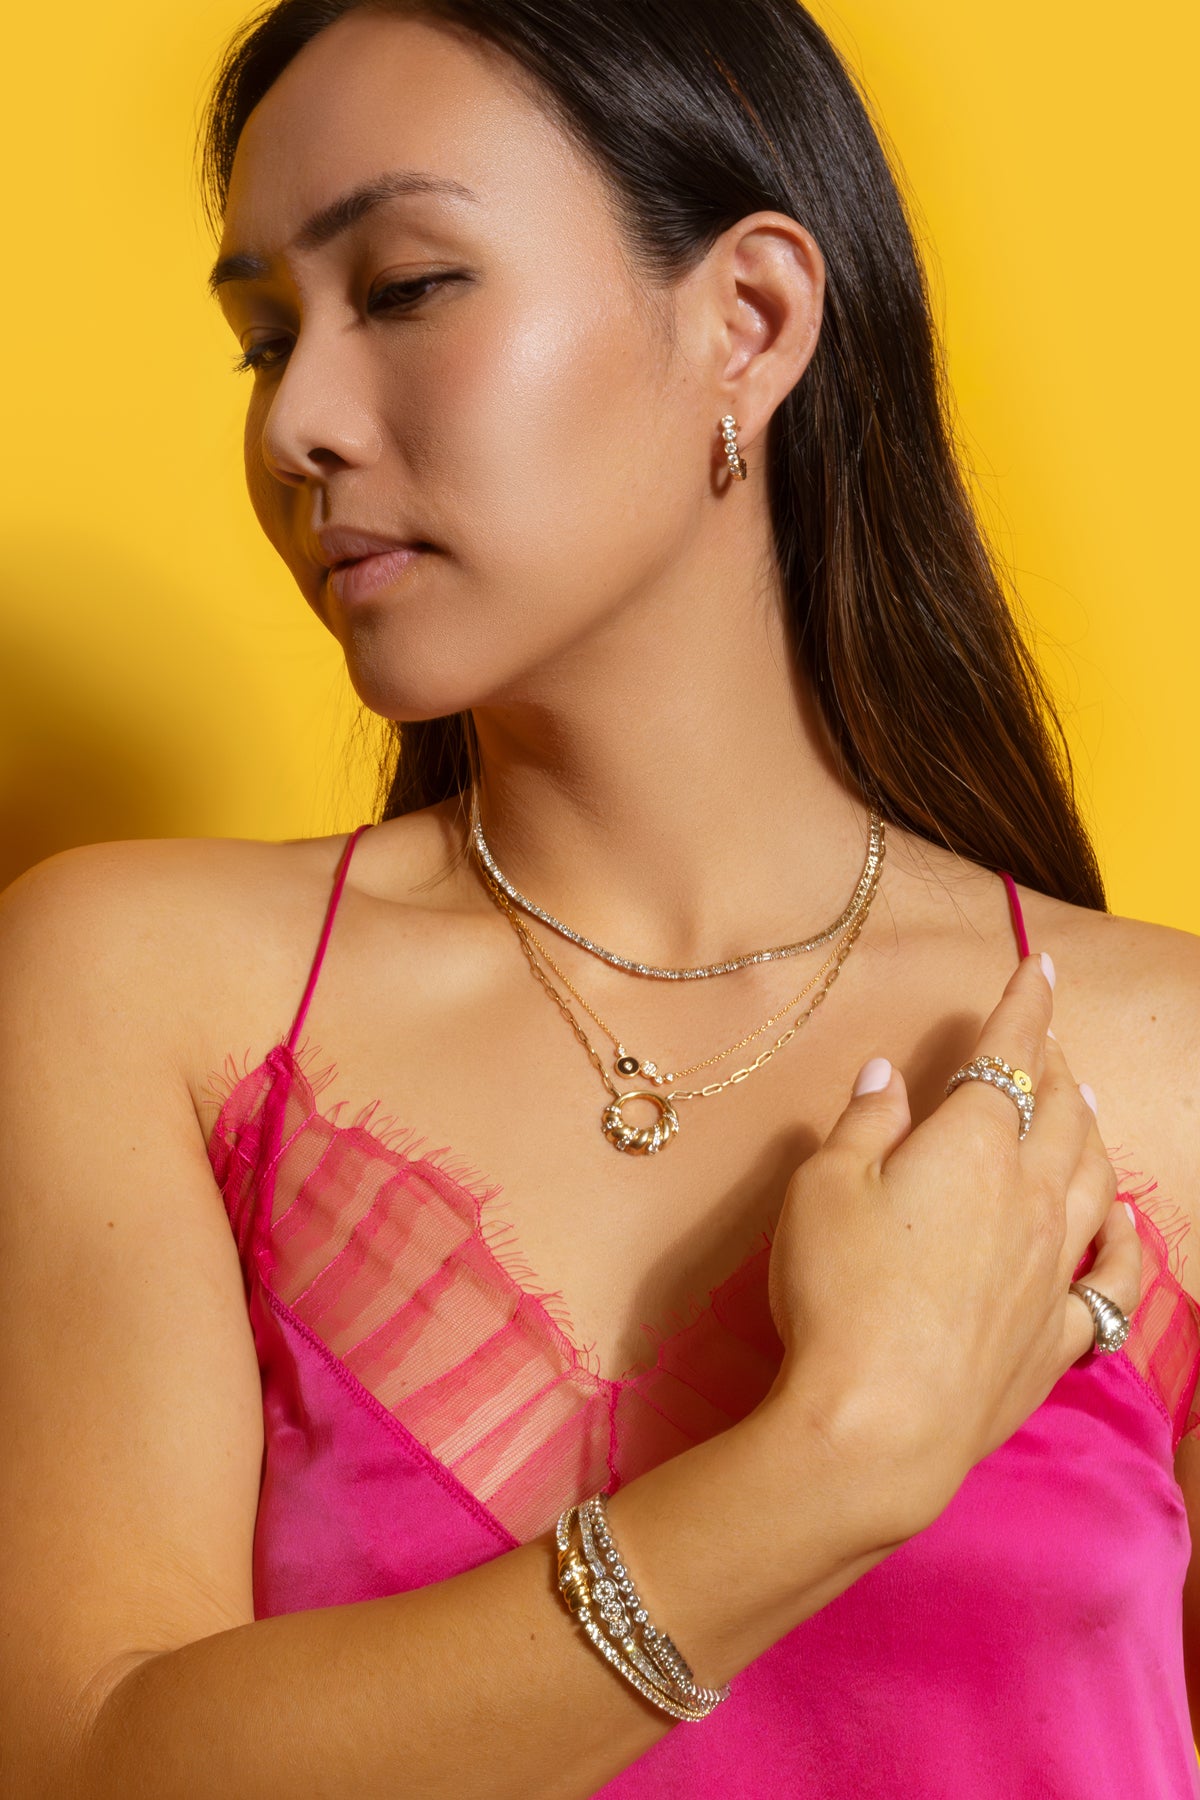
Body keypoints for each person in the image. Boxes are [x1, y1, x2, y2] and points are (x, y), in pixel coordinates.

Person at [2, 1, 1198, 1793]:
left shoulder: (1165, 1066)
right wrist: (835, 1462)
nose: (299, 424)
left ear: (750, 319)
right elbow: (90, 1757)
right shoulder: (141, 991)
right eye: (264, 340)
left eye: (403, 288)